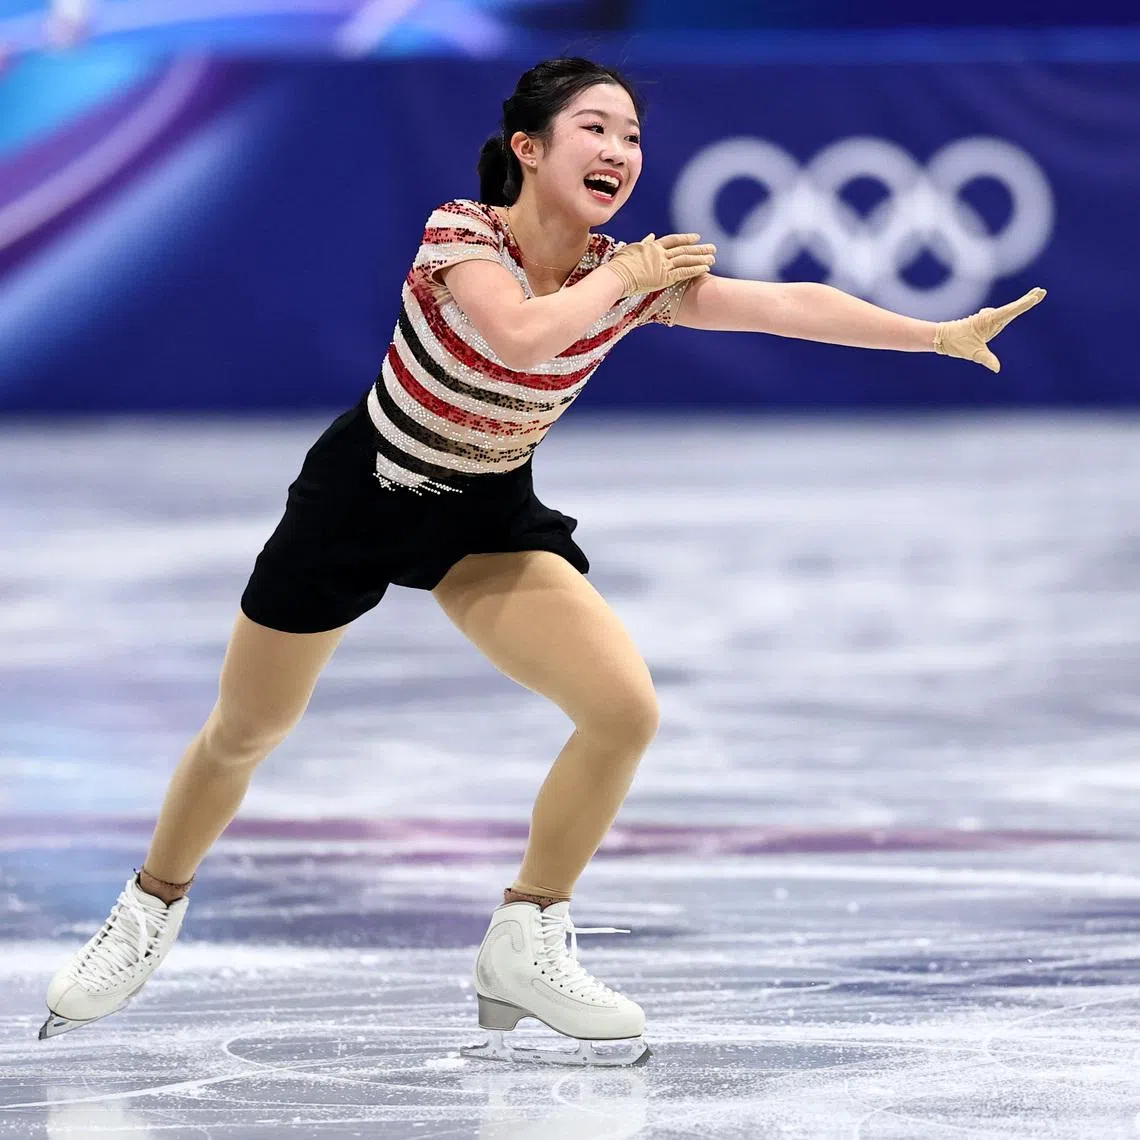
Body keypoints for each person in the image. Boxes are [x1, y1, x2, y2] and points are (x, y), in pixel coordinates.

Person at [38, 56, 1045, 1066]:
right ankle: (150, 906)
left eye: (633, 137)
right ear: (528, 148)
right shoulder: (461, 231)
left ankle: (526, 934)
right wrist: (626, 279)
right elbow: (520, 336)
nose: (620, 152)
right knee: (248, 730)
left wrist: (936, 334)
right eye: (596, 130)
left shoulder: (628, 277)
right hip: (359, 497)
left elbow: (787, 304)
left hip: (483, 510)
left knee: (623, 708)